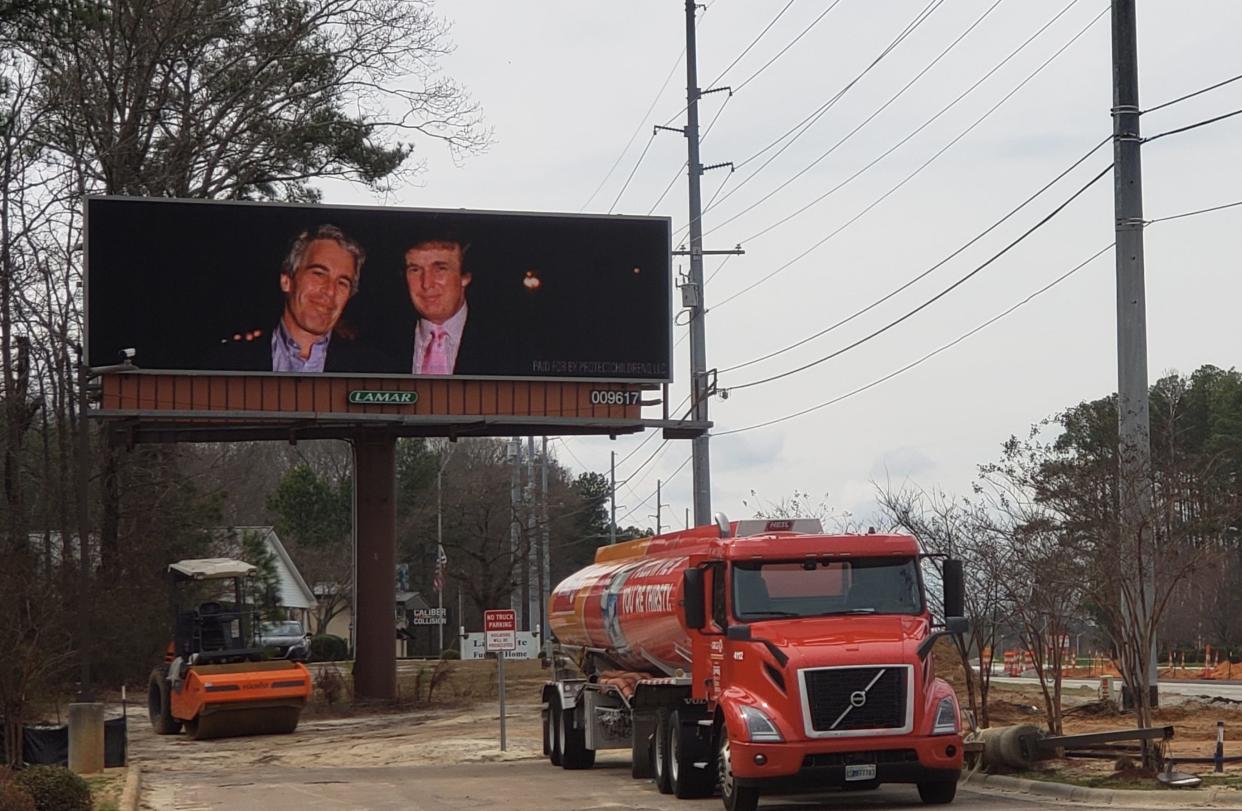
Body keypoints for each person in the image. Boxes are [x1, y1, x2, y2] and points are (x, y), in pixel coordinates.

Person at [206, 224, 388, 373]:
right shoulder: (227, 362)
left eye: (342, 283)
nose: (330, 291)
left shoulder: (374, 371)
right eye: (318, 274)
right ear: (287, 281)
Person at [403, 231, 509, 375]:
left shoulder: (507, 344)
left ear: (465, 277)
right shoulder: (377, 346)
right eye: (415, 270)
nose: (426, 283)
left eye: (440, 269)